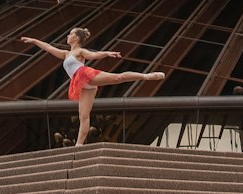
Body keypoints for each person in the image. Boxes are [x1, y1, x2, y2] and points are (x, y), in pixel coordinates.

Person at [20, 27, 165, 147]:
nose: (68, 36)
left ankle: (146, 76)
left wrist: (106, 53)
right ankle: (79, 145)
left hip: (85, 75)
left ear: (76, 38)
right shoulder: (66, 53)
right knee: (84, 116)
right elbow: (48, 47)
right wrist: (33, 41)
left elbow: (93, 55)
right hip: (82, 85)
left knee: (117, 77)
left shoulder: (79, 52)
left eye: (70, 34)